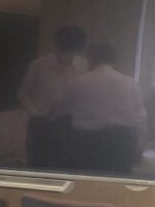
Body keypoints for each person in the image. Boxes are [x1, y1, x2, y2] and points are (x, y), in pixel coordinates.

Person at [59, 41, 147, 173]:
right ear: (114, 59)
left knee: (88, 179)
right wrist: (140, 145)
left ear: (89, 58)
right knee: (120, 181)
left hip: (87, 142)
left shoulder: (78, 83)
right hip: (121, 141)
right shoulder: (130, 83)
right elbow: (140, 118)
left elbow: (63, 110)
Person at [17, 25, 87, 168]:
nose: (68, 55)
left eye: (73, 51)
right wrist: (35, 115)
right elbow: (23, 93)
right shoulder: (39, 65)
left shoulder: (83, 65)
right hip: (42, 123)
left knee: (68, 167)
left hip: (70, 125)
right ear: (57, 46)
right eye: (65, 50)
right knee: (38, 166)